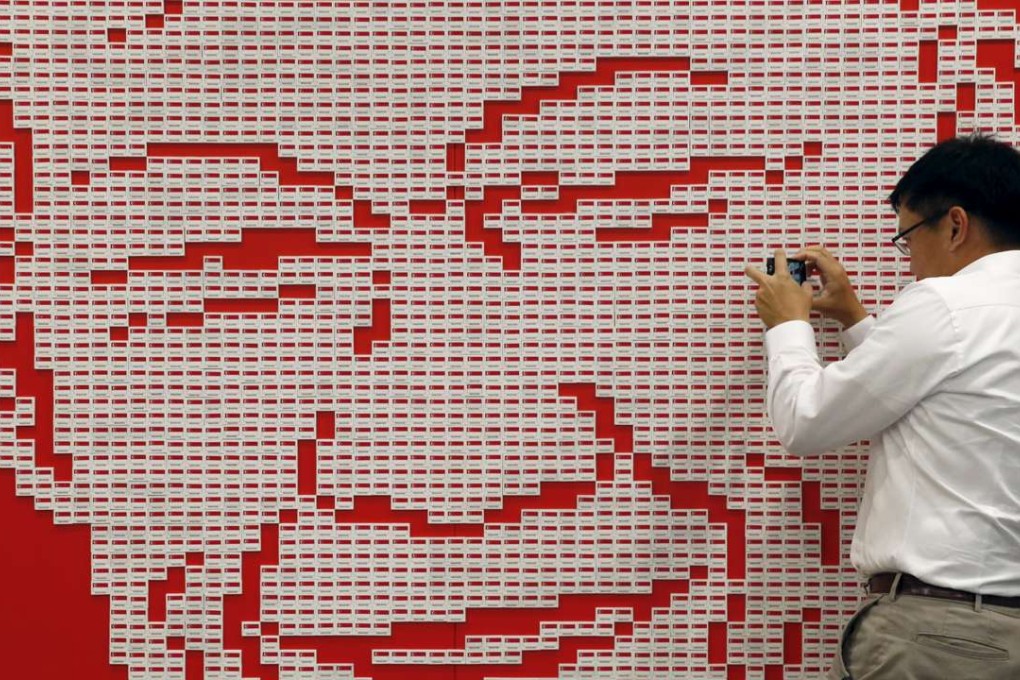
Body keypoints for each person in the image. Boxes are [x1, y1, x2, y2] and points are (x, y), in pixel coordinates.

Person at [744, 132, 1020, 680]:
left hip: (942, 638)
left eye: (908, 238)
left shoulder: (946, 304)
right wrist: (857, 322)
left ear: (956, 225)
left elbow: (806, 421)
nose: (910, 264)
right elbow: (949, 401)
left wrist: (788, 325)